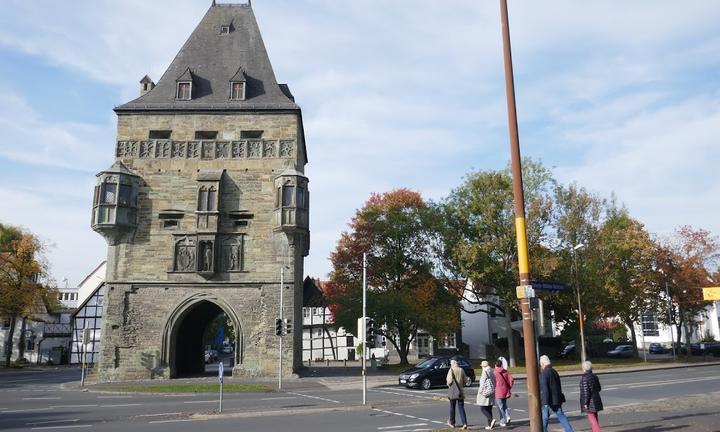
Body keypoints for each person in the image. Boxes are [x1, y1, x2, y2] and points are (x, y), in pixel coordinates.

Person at [539, 355, 574, 432]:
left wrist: (545, 402)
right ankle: (569, 430)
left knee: (544, 419)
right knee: (561, 415)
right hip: (557, 399)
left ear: (542, 364)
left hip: (548, 400)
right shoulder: (554, 371)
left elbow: (545, 389)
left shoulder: (543, 374)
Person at [579, 361, 603, 432]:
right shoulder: (595, 377)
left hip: (590, 402)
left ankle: (597, 431)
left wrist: (585, 403)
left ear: (583, 368)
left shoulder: (584, 378)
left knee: (592, 418)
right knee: (595, 417)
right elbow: (599, 388)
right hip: (596, 400)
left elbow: (586, 392)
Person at [446, 358, 469, 429]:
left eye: (451, 363)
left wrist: (448, 384)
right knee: (461, 407)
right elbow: (465, 380)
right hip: (460, 391)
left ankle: (452, 423)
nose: (450, 364)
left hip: (453, 392)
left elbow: (449, 381)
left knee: (452, 407)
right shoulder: (461, 370)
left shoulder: (451, 370)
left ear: (453, 363)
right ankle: (464, 423)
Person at [476, 360, 497, 430]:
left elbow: (482, 383)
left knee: (482, 408)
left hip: (485, 393)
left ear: (483, 366)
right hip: (491, 392)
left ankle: (491, 420)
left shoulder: (484, 372)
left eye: (482, 366)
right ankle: (490, 425)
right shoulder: (491, 371)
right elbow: (495, 381)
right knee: (489, 409)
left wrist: (480, 392)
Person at [494, 358, 514, 426]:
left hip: (498, 391)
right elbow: (511, 380)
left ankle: (503, 421)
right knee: (504, 405)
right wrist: (509, 387)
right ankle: (508, 416)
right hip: (505, 391)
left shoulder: (494, 372)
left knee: (500, 407)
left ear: (495, 365)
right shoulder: (505, 371)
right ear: (501, 365)